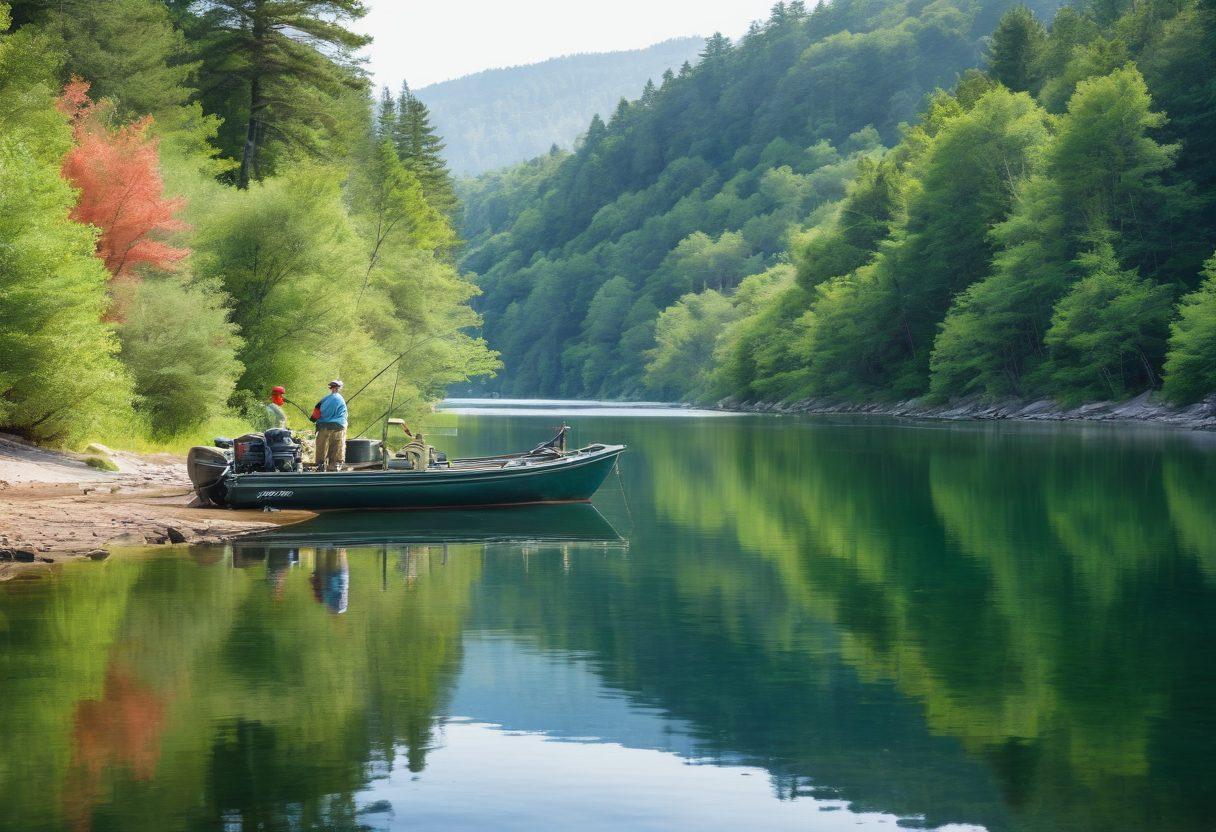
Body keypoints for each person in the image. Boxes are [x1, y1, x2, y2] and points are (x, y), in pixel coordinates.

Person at [311, 380, 348, 472]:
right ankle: (335, 465)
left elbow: (315, 415)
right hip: (339, 426)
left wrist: (313, 419)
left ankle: (321, 465)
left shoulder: (324, 399)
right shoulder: (341, 399)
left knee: (322, 445)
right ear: (340, 388)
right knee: (337, 445)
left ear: (331, 388)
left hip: (323, 425)